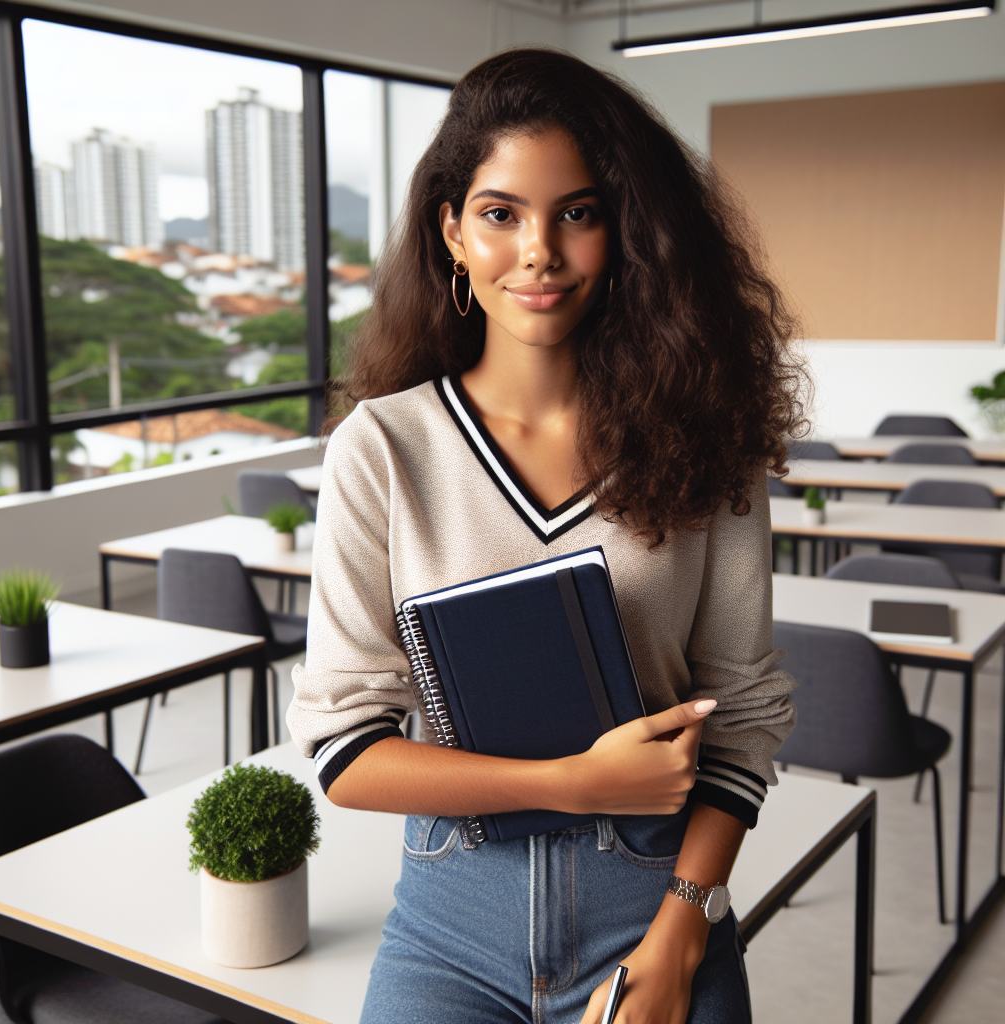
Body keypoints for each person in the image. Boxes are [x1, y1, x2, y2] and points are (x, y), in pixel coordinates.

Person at [288, 47, 803, 1024]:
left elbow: (740, 713)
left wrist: (685, 925)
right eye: (500, 213)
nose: (538, 252)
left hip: (652, 909)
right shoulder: (383, 450)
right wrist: (573, 782)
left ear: (626, 229)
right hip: (450, 933)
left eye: (577, 211)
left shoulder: (709, 441)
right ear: (451, 231)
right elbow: (343, 749)